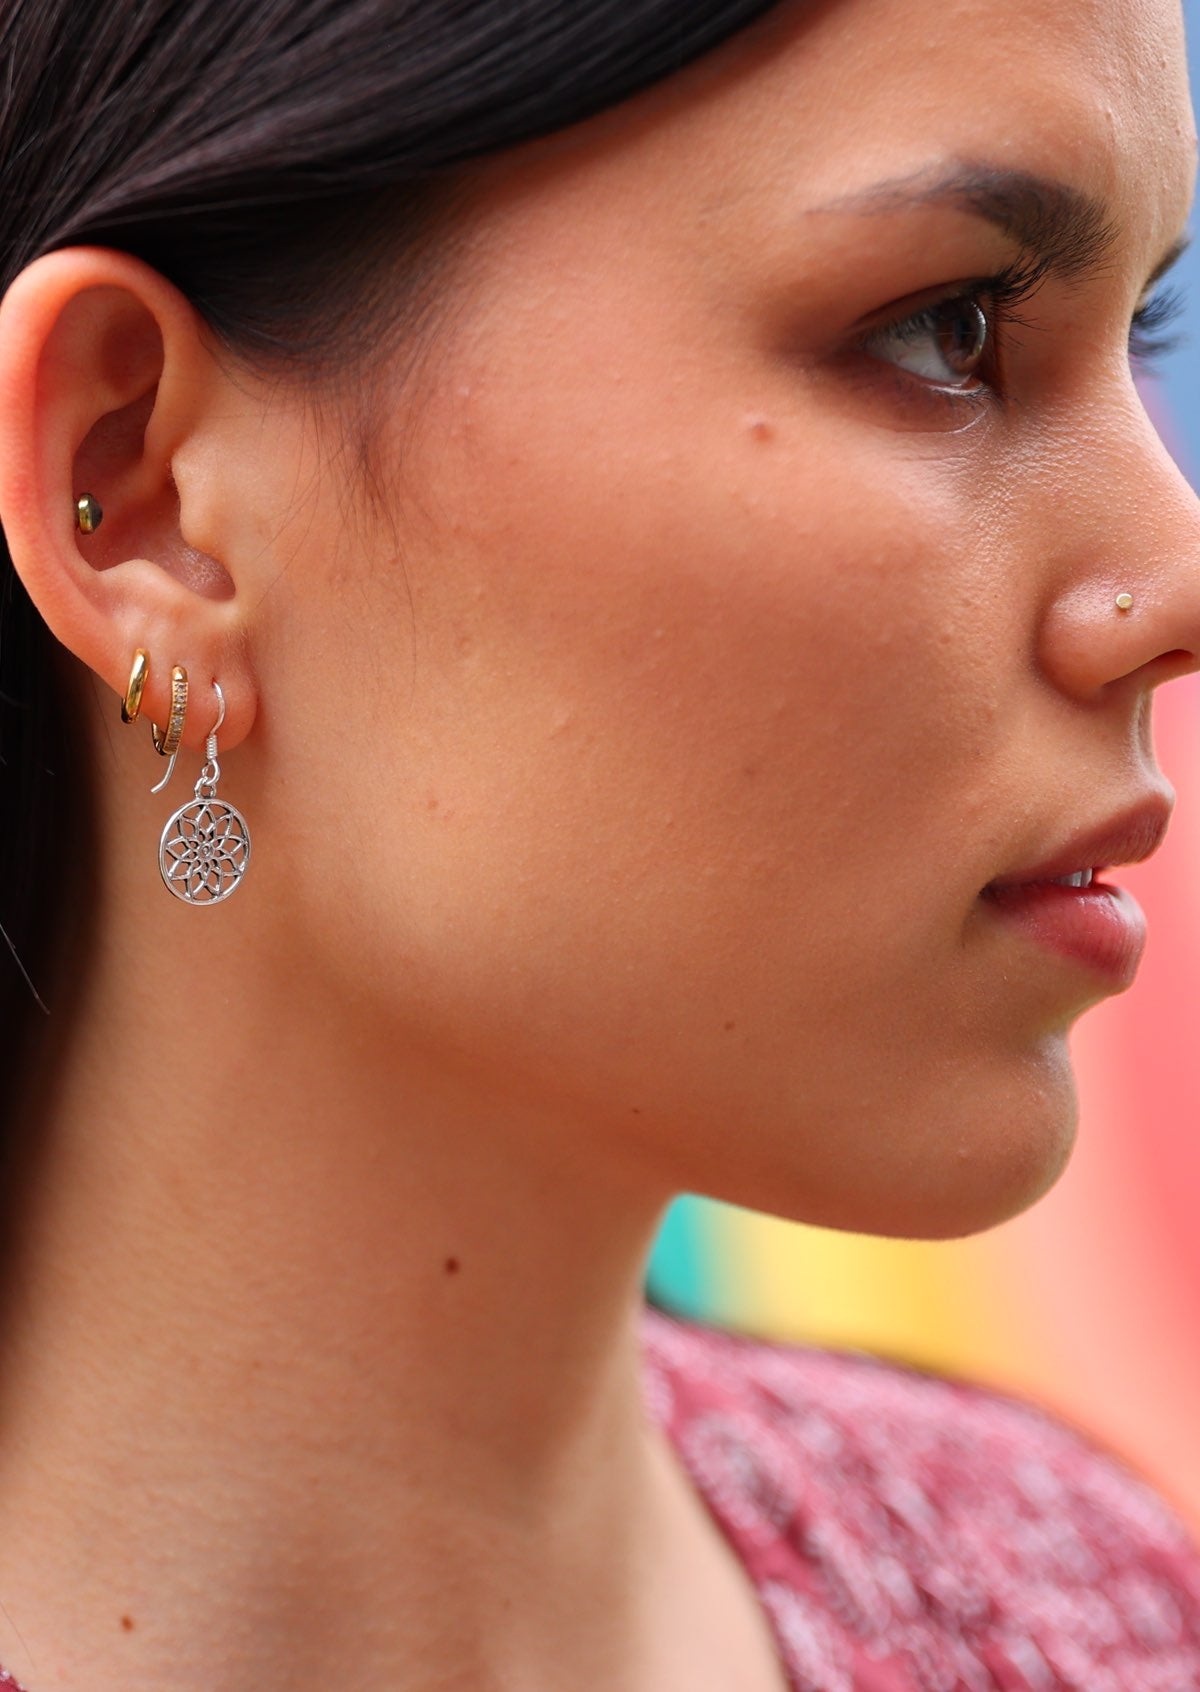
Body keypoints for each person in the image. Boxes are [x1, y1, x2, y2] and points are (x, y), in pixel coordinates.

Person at [0, 0, 1197, 1687]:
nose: (1176, 586)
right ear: (149, 494)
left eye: (1143, 334)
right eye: (949, 329)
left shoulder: (1094, 1615)